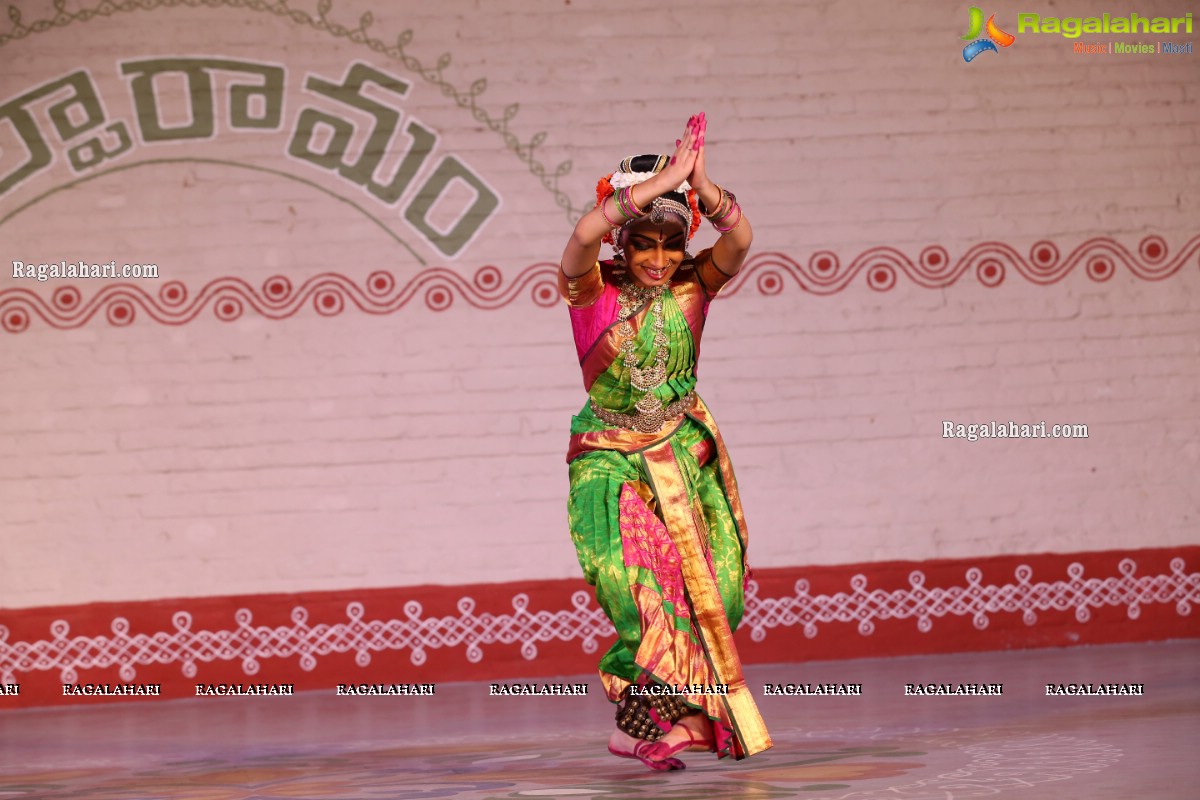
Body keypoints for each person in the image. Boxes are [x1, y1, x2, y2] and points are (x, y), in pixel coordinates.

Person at [557, 113, 772, 770]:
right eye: (642, 242)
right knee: (638, 586)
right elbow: (578, 240)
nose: (657, 258)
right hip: (610, 462)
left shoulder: (691, 287)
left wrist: (701, 186)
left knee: (720, 594)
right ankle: (643, 715)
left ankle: (643, 719)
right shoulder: (590, 291)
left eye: (670, 244)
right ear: (623, 242)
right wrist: (658, 184)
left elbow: (740, 240)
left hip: (686, 453)